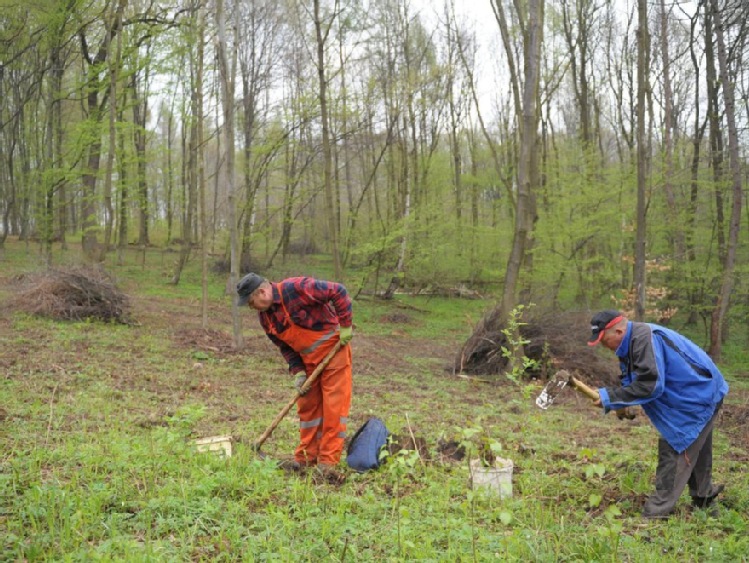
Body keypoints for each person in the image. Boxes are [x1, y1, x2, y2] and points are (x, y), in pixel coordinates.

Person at [587, 309, 729, 519]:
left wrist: (610, 397)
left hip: (697, 396)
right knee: (697, 449)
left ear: (618, 331)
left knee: (676, 447)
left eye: (604, 340)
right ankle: (705, 501)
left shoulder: (645, 340)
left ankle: (655, 514)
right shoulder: (630, 343)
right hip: (692, 395)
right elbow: (635, 380)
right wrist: (622, 404)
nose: (604, 346)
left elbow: (651, 385)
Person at [237, 272, 353, 481]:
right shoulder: (265, 318)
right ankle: (305, 459)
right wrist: (298, 371)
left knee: (334, 408)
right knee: (307, 408)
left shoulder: (296, 288)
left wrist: (345, 325)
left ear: (262, 292)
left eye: (251, 302)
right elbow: (285, 348)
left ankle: (327, 463)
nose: (250, 307)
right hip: (308, 362)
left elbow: (339, 291)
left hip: (334, 353)